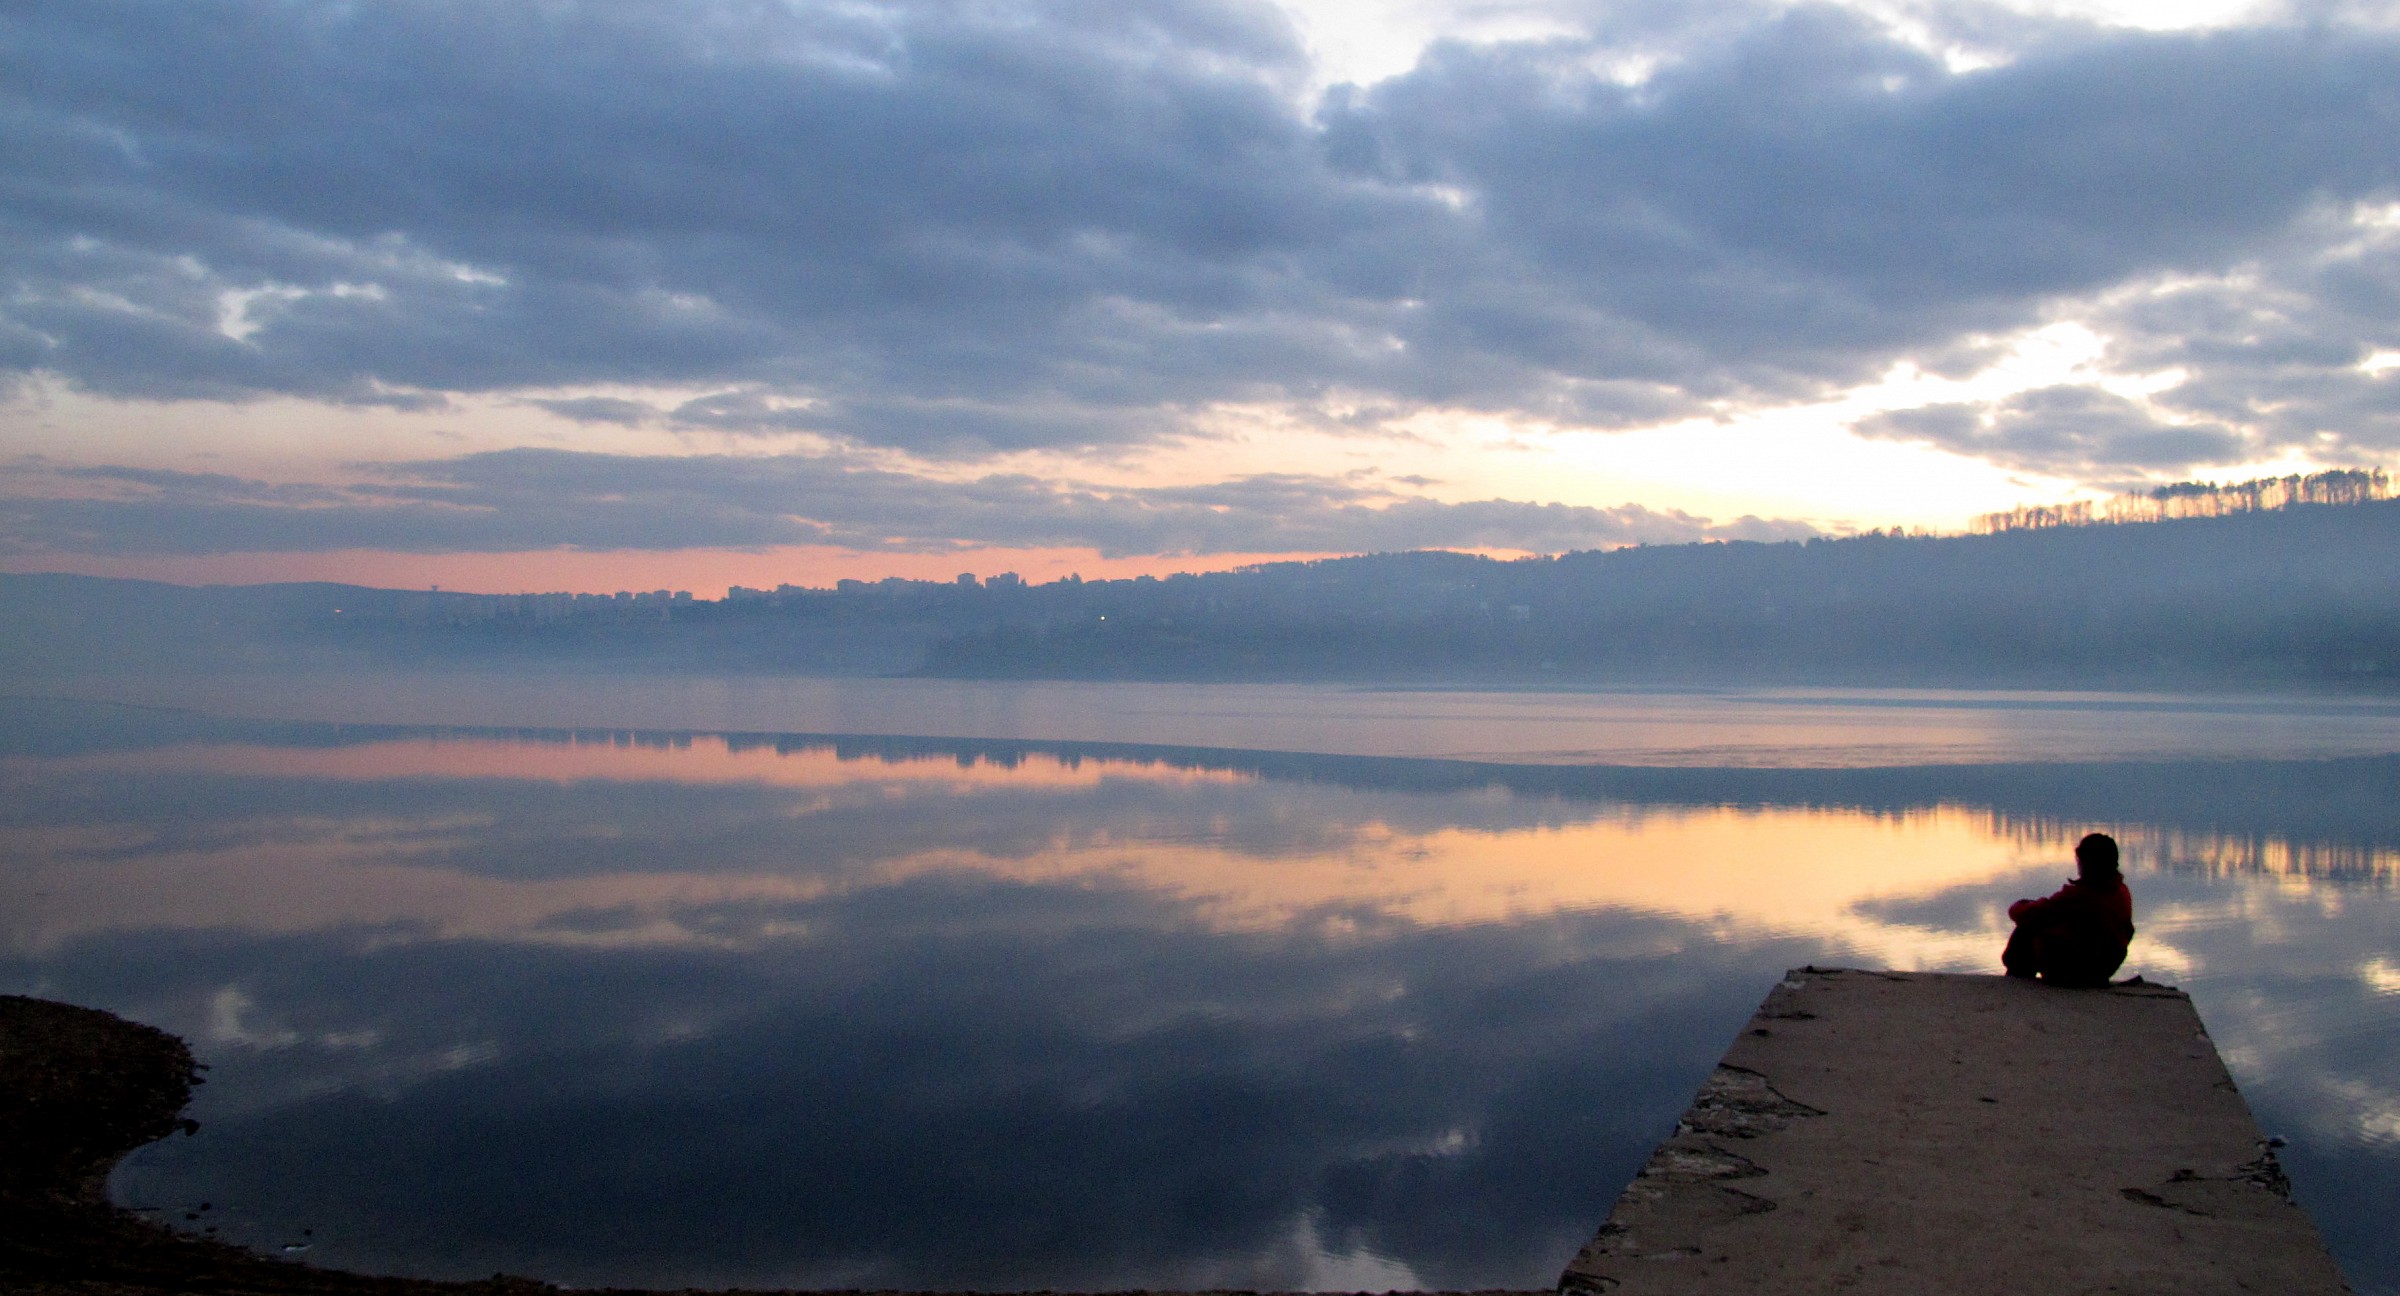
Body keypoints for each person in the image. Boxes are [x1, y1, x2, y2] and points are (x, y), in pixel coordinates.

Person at [2002, 832, 2134, 987]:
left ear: (2086, 862)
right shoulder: (2121, 891)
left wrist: (2019, 905)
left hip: (2075, 971)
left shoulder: (2079, 895)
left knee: (2026, 929)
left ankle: (2016, 980)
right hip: (2102, 968)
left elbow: (2030, 914)